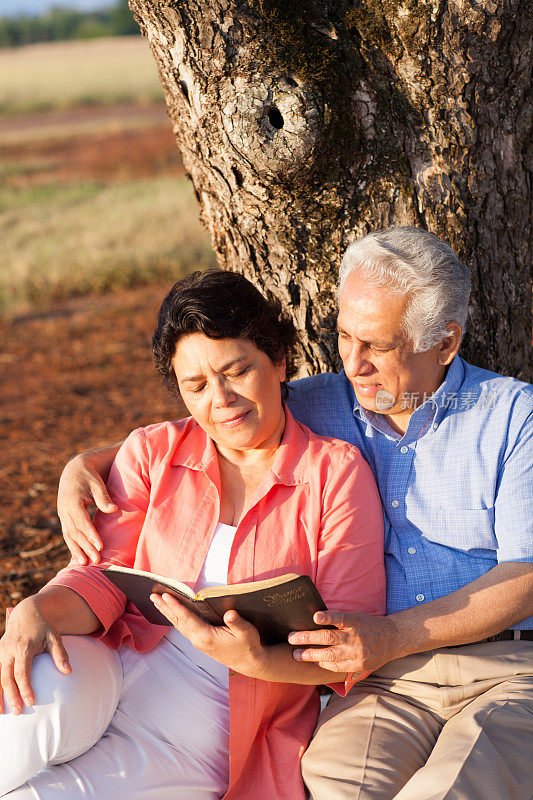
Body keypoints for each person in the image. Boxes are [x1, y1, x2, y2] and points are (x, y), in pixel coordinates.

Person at [57, 226, 533, 800]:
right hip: (383, 683)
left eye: (377, 346)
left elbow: (526, 575)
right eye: (344, 338)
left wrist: (390, 635)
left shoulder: (513, 419)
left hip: (508, 668)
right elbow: (211, 423)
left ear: (445, 344)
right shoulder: (320, 399)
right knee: (333, 782)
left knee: (451, 789)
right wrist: (86, 463)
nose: (354, 365)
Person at [0, 270, 386, 800]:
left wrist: (253, 657)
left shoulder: (334, 474)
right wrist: (36, 609)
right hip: (113, 662)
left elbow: (349, 643)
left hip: (209, 725)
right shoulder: (152, 451)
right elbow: (101, 577)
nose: (221, 400)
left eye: (238, 371)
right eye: (197, 386)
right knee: (36, 702)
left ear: (278, 360)